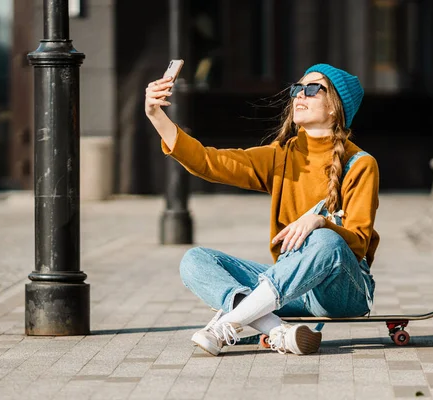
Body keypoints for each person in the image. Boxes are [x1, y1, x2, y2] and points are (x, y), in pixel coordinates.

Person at [145, 63, 380, 356]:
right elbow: (209, 162)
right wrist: (156, 116)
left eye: (311, 89)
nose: (299, 96)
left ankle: (228, 324)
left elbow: (358, 241)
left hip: (342, 291)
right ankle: (278, 331)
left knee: (325, 241)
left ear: (335, 107)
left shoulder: (361, 164)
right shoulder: (280, 156)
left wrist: (320, 222)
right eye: (297, 89)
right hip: (293, 286)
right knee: (195, 260)